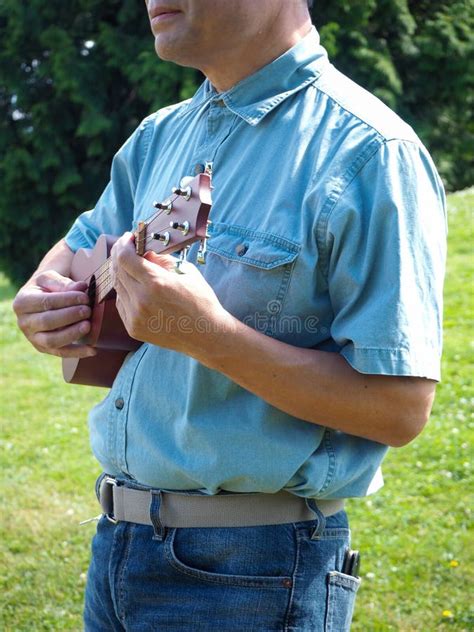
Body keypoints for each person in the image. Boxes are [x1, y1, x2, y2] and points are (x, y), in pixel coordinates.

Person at [13, 0, 447, 630]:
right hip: (116, 546)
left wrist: (205, 334)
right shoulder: (161, 135)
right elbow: (79, 247)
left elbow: (399, 409)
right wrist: (41, 298)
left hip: (255, 572)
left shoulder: (371, 152)